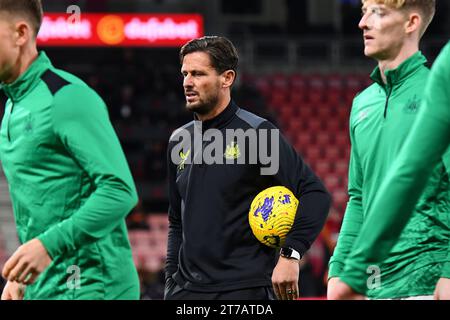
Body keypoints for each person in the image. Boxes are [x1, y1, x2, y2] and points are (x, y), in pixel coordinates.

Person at [164, 36, 331, 300]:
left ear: (227, 78)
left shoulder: (257, 133)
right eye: (185, 73)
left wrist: (290, 255)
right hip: (187, 293)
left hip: (245, 291)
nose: (187, 82)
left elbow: (314, 194)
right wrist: (171, 282)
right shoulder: (179, 139)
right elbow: (176, 221)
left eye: (198, 73)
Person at [0, 0, 139, 300]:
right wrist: (23, 278)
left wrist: (48, 246)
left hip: (92, 286)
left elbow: (120, 191)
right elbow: (43, 205)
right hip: (45, 287)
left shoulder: (67, 97)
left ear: (21, 33)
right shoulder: (14, 104)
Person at [327, 0, 446, 300]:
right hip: (373, 284)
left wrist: (448, 270)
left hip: (426, 283)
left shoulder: (440, 93)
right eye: (364, 12)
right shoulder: (361, 104)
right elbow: (359, 197)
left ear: (411, 23)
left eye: (377, 13)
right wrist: (338, 269)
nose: (363, 23)